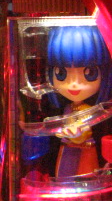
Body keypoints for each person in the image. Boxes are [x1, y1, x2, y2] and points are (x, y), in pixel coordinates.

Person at [46, 25, 112, 177]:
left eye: (89, 73)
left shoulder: (88, 110)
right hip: (67, 149)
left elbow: (84, 132)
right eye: (61, 73)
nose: (74, 84)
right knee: (64, 176)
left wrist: (74, 133)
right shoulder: (68, 107)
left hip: (84, 150)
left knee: (85, 175)